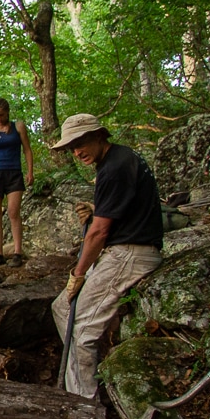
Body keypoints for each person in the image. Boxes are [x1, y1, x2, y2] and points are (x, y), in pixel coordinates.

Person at [47, 113, 163, 398]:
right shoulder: (119, 160)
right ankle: (77, 384)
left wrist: (78, 274)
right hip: (126, 247)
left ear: (99, 135)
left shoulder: (114, 168)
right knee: (62, 308)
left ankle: (85, 402)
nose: (76, 152)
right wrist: (95, 208)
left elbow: (98, 233)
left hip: (131, 253)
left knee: (82, 328)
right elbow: (119, 210)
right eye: (71, 148)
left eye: (81, 142)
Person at [0, 97, 35, 266]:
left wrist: (30, 172)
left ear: (8, 112)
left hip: (14, 173)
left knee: (13, 211)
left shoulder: (19, 127)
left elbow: (27, 149)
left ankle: (17, 252)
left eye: (1, 115)